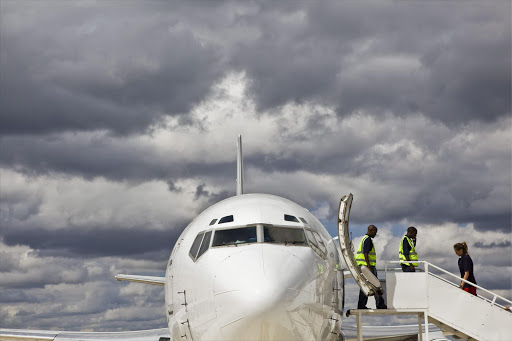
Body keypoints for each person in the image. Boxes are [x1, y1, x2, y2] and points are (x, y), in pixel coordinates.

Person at [355, 225, 387, 309]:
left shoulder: (364, 239)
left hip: (363, 266)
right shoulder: (368, 240)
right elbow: (366, 253)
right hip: (367, 267)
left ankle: (361, 305)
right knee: (376, 285)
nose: (375, 234)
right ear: (371, 230)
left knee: (365, 286)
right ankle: (380, 304)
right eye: (375, 232)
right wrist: (369, 266)